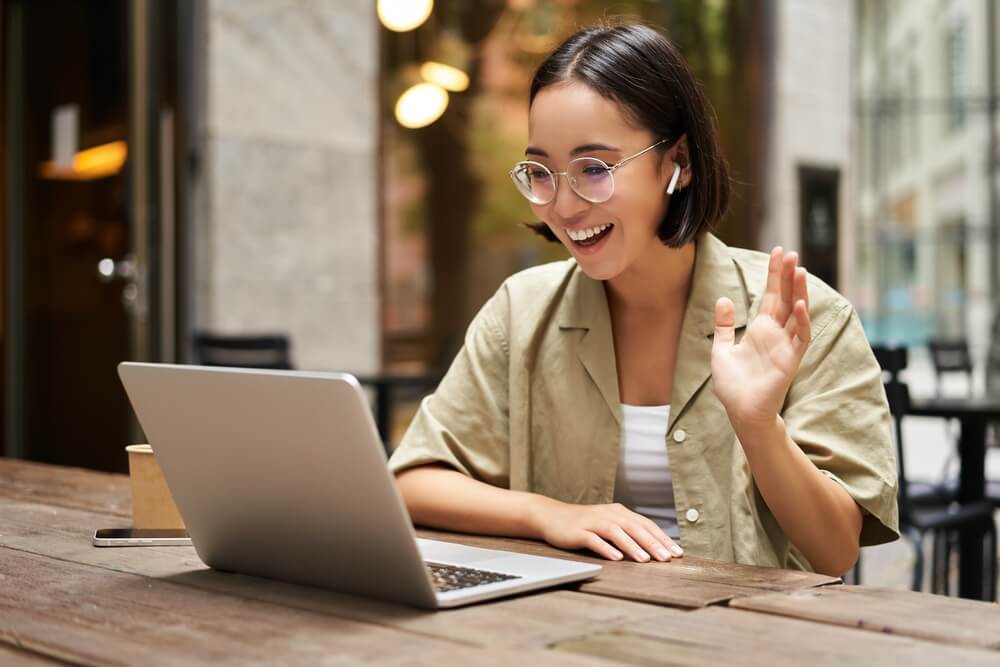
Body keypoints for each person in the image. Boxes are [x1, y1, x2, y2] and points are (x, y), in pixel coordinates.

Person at [388, 21, 898, 576]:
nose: (563, 205)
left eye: (595, 169)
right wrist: (547, 514)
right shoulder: (521, 311)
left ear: (677, 162)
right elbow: (412, 482)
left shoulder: (809, 318)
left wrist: (759, 428)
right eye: (541, 172)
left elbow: (836, 550)